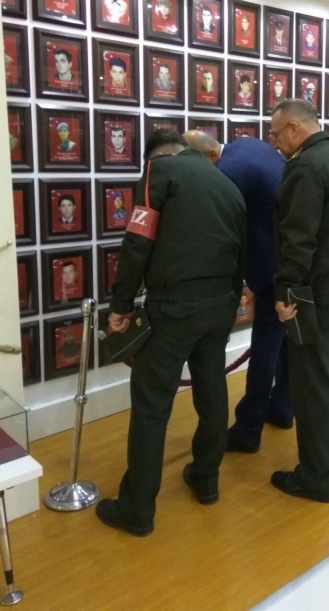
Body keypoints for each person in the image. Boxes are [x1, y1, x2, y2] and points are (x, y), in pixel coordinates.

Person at [96, 130, 246, 536]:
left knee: (151, 407)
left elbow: (137, 241)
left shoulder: (159, 172)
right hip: (219, 306)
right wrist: (229, 303)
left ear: (157, 157)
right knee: (212, 394)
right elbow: (240, 252)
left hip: (173, 309)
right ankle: (206, 480)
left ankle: (136, 509)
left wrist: (121, 305)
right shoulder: (227, 184)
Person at [269, 99, 329, 503]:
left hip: (315, 293)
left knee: (311, 384)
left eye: (276, 133)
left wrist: (285, 290)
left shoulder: (306, 167)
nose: (274, 142)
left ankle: (315, 477)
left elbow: (298, 237)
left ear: (295, 128)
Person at [184, 130, 294, 453]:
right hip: (285, 264)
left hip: (272, 270)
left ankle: (248, 430)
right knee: (284, 344)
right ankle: (283, 407)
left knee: (264, 351)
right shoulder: (246, 145)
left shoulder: (227, 172)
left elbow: (211, 224)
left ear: (209, 157)